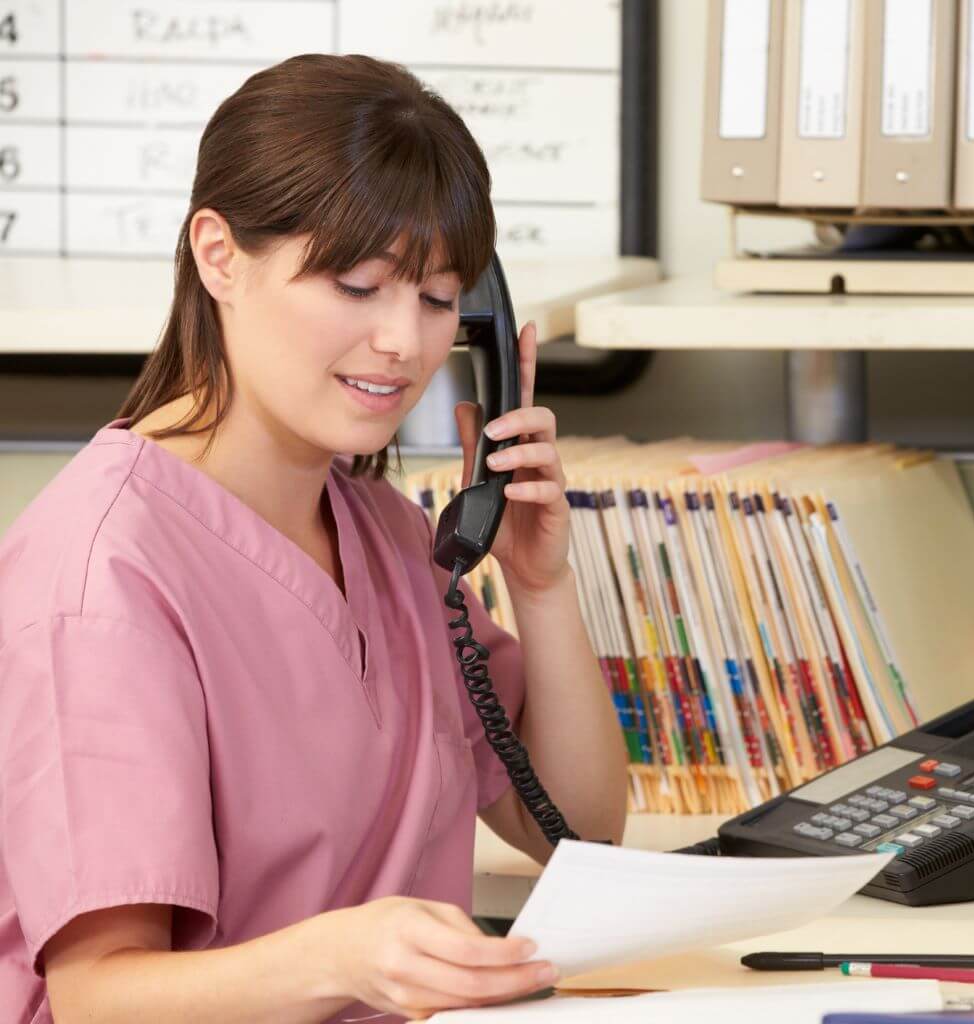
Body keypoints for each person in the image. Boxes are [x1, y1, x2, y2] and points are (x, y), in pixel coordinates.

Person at [0, 54, 627, 1023]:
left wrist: (542, 587)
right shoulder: (103, 573)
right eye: (357, 284)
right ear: (220, 256)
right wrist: (344, 956)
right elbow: (98, 997)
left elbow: (582, 833)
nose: (403, 344)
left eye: (434, 298)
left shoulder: (388, 533)